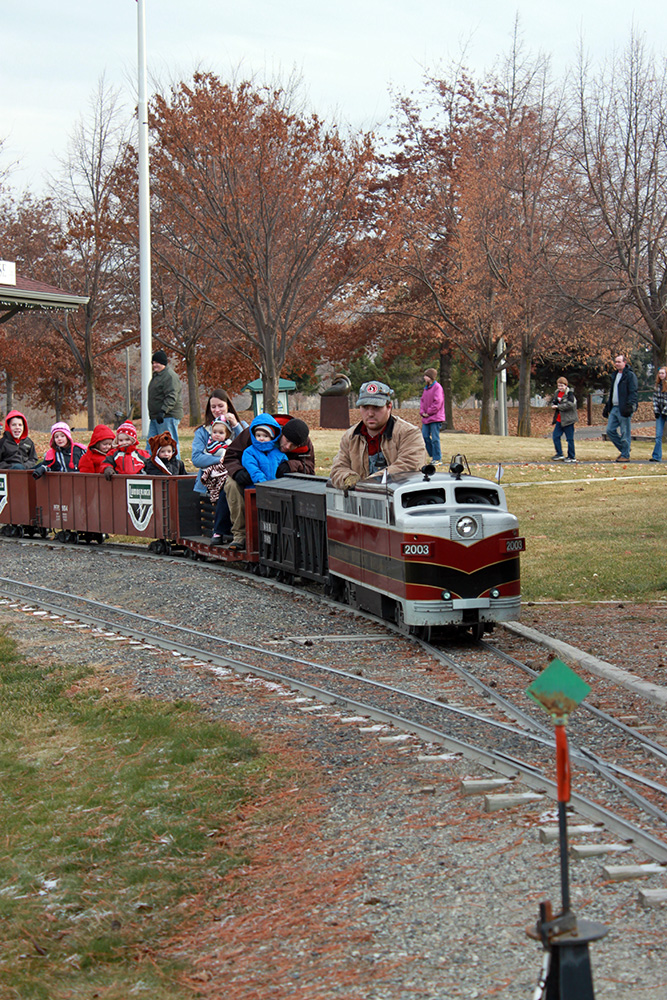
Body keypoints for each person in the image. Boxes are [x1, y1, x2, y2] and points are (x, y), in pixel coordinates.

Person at [224, 416, 315, 551]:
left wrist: (292, 465)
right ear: (281, 433)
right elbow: (230, 456)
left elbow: (310, 468)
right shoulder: (256, 431)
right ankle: (240, 534)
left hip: (281, 480)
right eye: (287, 441)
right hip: (249, 474)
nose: (288, 447)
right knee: (231, 485)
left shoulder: (304, 441)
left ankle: (294, 533)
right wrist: (238, 472)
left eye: (294, 445)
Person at [329, 381, 428, 490]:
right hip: (360, 501)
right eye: (365, 407)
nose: (370, 413)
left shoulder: (409, 433)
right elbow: (338, 468)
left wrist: (369, 482)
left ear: (389, 407)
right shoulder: (350, 436)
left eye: (376, 407)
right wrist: (348, 478)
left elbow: (409, 466)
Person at [191, 391, 248, 546]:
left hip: (237, 471)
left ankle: (239, 531)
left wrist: (235, 425)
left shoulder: (241, 426)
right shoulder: (203, 431)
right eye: (213, 407)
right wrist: (220, 460)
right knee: (225, 486)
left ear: (228, 406)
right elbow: (196, 458)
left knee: (234, 484)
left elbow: (249, 444)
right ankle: (220, 530)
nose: (217, 410)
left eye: (220, 406)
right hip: (212, 475)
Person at [146, 349, 184, 457]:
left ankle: (175, 466)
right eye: (153, 363)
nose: (154, 365)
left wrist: (163, 411)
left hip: (167, 416)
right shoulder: (157, 376)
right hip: (156, 417)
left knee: (169, 443)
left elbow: (172, 396)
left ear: (163, 363)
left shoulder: (169, 376)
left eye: (157, 362)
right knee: (151, 442)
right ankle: (149, 465)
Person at [602, 354, 639, 462]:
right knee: (610, 430)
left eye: (619, 362)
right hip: (614, 407)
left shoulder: (630, 376)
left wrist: (630, 406)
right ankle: (624, 450)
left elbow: (633, 392)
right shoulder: (615, 375)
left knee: (624, 432)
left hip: (624, 408)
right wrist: (607, 406)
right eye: (616, 362)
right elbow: (613, 392)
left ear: (625, 363)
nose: (617, 364)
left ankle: (625, 455)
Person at [241, 415, 284, 484]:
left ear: (272, 437)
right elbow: (252, 468)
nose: (261, 438)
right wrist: (261, 480)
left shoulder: (278, 452)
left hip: (277, 486)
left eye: (265, 436)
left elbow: (284, 467)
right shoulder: (249, 452)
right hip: (257, 486)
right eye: (258, 435)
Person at [420, 367, 445, 463]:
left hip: (435, 417)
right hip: (426, 417)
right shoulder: (426, 389)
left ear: (431, 377)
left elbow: (437, 402)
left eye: (426, 376)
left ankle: (437, 457)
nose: (424, 377)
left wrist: (429, 412)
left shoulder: (437, 387)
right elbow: (422, 401)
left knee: (435, 438)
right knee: (425, 436)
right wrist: (422, 412)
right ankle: (432, 455)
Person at [550, 377, 578, 463]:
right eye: (559, 386)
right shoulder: (557, 393)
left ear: (566, 385)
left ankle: (571, 456)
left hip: (568, 420)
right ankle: (559, 453)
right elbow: (555, 401)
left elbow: (571, 405)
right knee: (555, 436)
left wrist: (559, 407)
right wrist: (553, 404)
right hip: (559, 419)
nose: (560, 388)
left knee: (569, 439)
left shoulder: (570, 394)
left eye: (562, 386)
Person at [650, 366, 667, 462]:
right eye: (660, 373)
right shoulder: (657, 385)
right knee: (658, 435)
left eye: (663, 373)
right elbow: (655, 399)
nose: (661, 375)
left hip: (665, 411)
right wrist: (656, 410)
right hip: (660, 412)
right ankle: (656, 456)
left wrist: (665, 411)